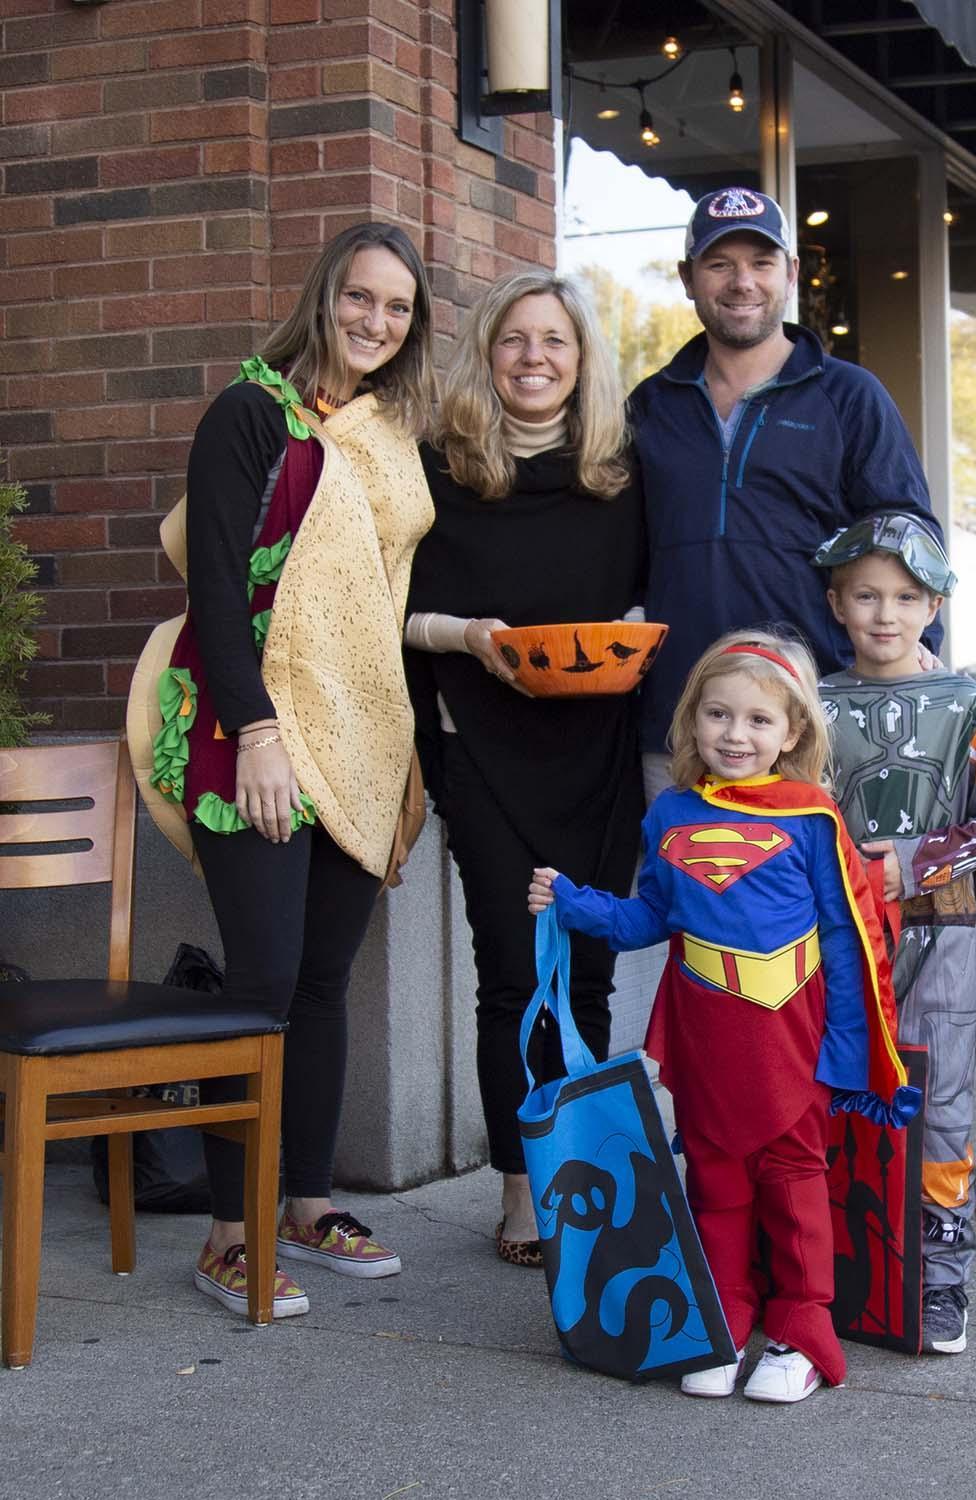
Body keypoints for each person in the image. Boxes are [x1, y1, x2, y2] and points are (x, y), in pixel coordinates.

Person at [129, 222, 438, 1318]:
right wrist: (258, 730)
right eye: (359, 297)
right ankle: (228, 1235)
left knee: (320, 983)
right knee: (260, 981)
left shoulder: (389, 434)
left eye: (397, 308)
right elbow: (214, 588)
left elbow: (391, 600)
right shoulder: (249, 412)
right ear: (323, 297)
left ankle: (307, 1205)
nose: (375, 321)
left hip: (363, 731)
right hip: (250, 728)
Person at [528, 629, 914, 1403]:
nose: (736, 734)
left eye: (758, 720)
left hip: (789, 1035)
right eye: (718, 715)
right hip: (705, 1035)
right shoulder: (670, 813)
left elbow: (849, 938)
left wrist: (847, 1049)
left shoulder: (812, 817)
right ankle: (724, 1315)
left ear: (792, 732)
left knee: (793, 1186)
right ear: (692, 720)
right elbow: (651, 917)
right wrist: (575, 904)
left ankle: (802, 1327)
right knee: (714, 1182)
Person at [404, 271, 645, 1267]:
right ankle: (519, 1187)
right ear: (486, 354)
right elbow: (389, 610)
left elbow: (653, 593)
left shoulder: (623, 474)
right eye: (514, 339)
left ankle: (577, 1177)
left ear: (582, 360)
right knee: (510, 973)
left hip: (598, 757)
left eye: (555, 341)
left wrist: (636, 633)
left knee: (586, 974)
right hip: (484, 752)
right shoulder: (440, 470)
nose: (534, 358)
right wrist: (468, 635)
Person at [627, 186, 944, 801]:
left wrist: (915, 658)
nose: (742, 281)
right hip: (681, 728)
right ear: (688, 278)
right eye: (720, 264)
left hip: (815, 721)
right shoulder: (651, 406)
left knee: (823, 868)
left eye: (761, 262)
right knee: (684, 869)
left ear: (791, 274)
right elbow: (620, 556)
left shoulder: (849, 397)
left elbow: (907, 537)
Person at [815, 512, 976, 1354]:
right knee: (836, 1090)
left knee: (940, 1102)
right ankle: (837, 1268)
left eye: (906, 597)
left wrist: (916, 861)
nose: (886, 614)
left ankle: (941, 1280)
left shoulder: (969, 704)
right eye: (866, 595)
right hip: (838, 938)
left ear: (933, 606)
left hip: (941, 934)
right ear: (837, 603)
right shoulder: (812, 704)